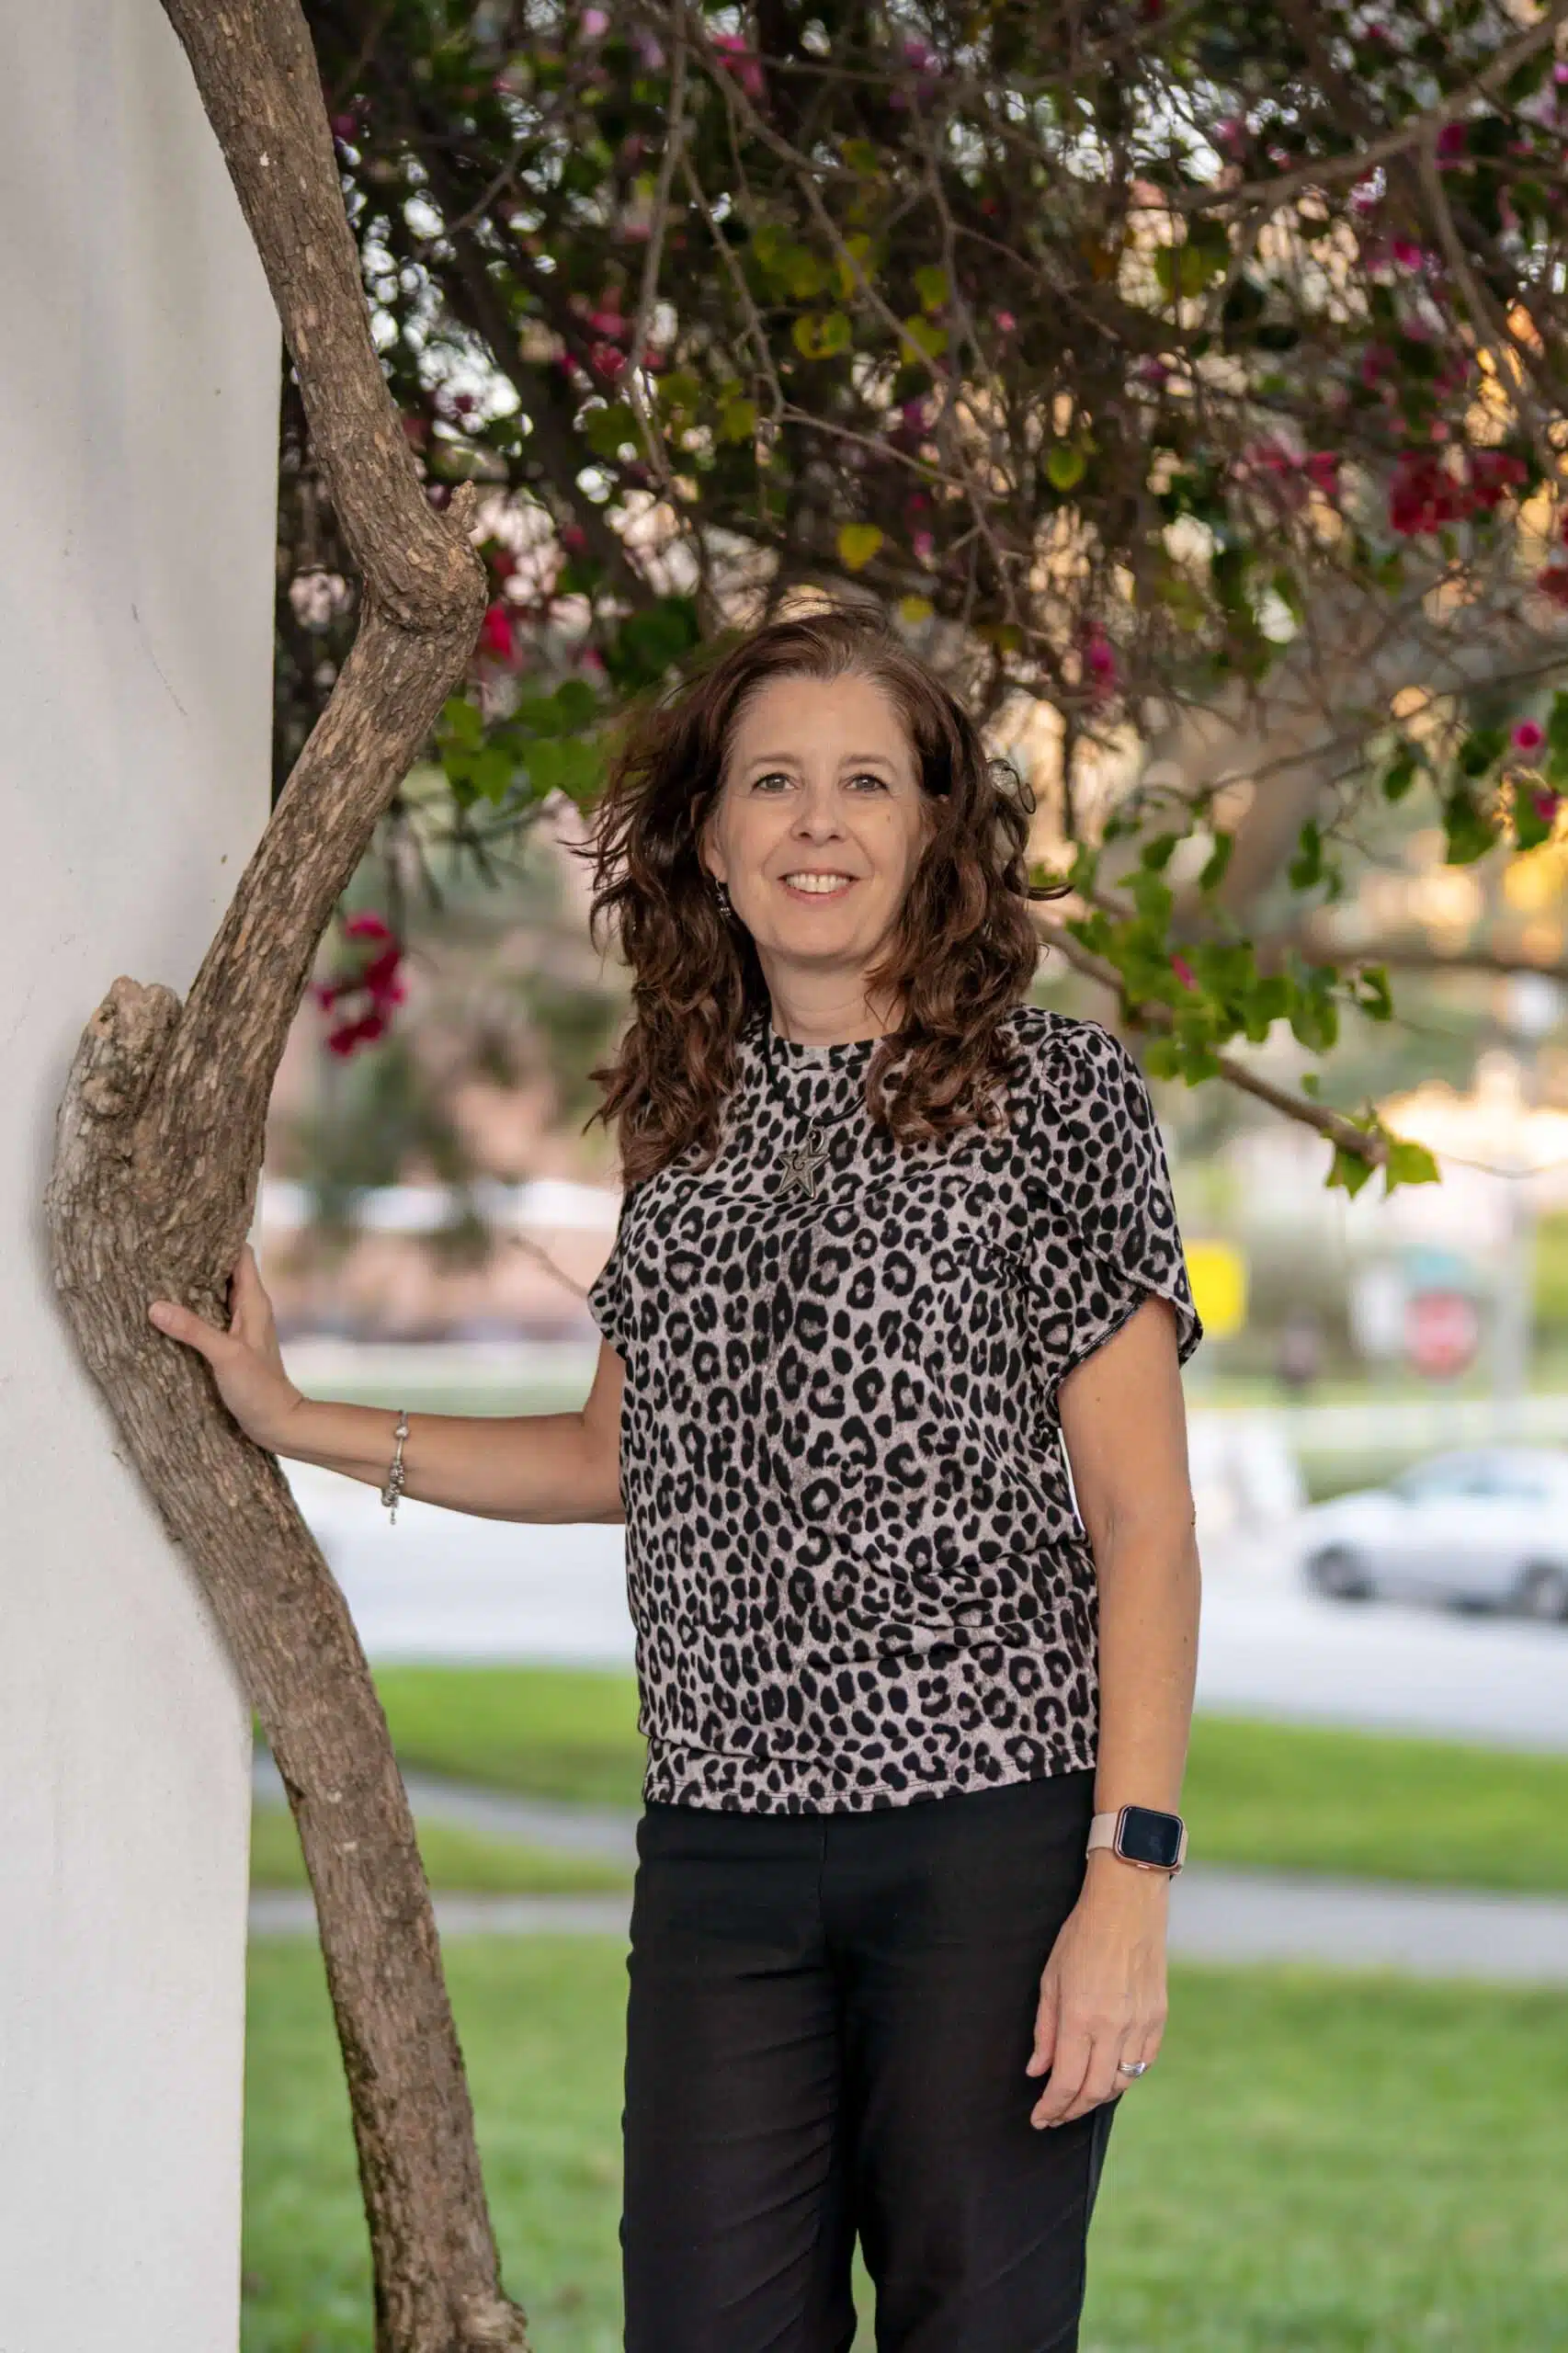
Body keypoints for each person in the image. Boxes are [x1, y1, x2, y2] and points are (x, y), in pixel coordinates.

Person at [149, 607, 1204, 2352]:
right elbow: (611, 1457)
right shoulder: (684, 1117)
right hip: (719, 1855)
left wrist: (1128, 1885)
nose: (817, 822)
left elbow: (1146, 1529)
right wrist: (299, 1416)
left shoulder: (1056, 1096)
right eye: (772, 782)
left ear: (934, 829)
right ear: (706, 839)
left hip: (989, 1848)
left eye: (867, 782)